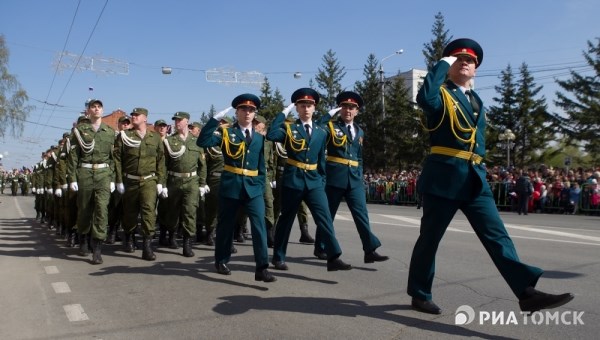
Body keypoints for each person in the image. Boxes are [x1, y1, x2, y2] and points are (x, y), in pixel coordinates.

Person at [407, 38, 574, 314]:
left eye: (470, 60)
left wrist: (482, 170)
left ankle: (526, 292)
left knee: (498, 236)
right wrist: (441, 65)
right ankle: (420, 293)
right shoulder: (441, 94)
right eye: (458, 58)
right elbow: (424, 98)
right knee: (430, 239)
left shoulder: (476, 100)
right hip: (444, 178)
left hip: (474, 178)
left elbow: (478, 142)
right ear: (448, 65)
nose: (464, 62)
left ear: (476, 69)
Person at [266, 88, 351, 272]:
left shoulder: (321, 132)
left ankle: (334, 256)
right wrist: (283, 112)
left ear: (315, 108)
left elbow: (321, 159)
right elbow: (271, 134)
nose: (306, 108)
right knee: (286, 219)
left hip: (314, 181)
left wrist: (321, 180)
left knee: (325, 218)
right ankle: (278, 256)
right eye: (302, 105)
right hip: (293, 180)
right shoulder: (290, 129)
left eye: (310, 105)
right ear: (297, 108)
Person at [197, 93, 275, 282]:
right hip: (231, 186)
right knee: (226, 225)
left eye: (251, 110)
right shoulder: (226, 133)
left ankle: (262, 268)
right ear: (237, 112)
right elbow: (202, 141)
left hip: (254, 188)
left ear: (254, 113)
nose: (247, 113)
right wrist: (214, 120)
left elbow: (261, 167)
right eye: (243, 109)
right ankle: (221, 260)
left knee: (258, 227)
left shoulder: (259, 138)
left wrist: (262, 186)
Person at [318, 91, 388, 263]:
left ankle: (369, 250)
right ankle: (320, 247)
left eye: (352, 108)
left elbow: (359, 157)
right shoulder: (331, 127)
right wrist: (329, 114)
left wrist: (360, 175)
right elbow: (317, 127)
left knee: (361, 215)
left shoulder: (360, 131)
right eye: (344, 107)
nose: (348, 110)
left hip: (354, 180)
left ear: (357, 111)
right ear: (340, 109)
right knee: (328, 215)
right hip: (334, 178)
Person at [114, 107, 166, 261]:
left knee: (149, 211)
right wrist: (118, 181)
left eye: (137, 115)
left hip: (149, 180)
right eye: (133, 115)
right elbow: (117, 160)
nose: (133, 117)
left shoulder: (155, 138)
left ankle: (147, 246)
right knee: (129, 212)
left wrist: (160, 182)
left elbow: (161, 161)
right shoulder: (124, 136)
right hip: (130, 180)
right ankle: (129, 237)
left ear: (145, 118)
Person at [67, 99, 116, 264]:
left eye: (99, 107)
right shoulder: (79, 131)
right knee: (84, 210)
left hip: (103, 174)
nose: (96, 109)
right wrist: (72, 178)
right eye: (93, 107)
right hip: (85, 173)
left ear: (102, 110)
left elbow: (113, 158)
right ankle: (83, 239)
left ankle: (97, 249)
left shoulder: (110, 131)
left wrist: (113, 178)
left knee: (102, 210)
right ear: (88, 111)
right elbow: (73, 156)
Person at [161, 111, 207, 257]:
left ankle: (187, 243)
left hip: (191, 181)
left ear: (187, 121)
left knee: (190, 211)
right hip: (174, 180)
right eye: (175, 120)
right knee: (172, 210)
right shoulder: (169, 141)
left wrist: (202, 183)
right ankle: (172, 235)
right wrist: (162, 184)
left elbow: (202, 165)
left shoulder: (196, 141)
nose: (177, 123)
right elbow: (163, 165)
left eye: (180, 120)